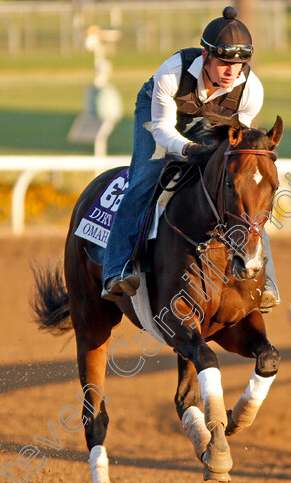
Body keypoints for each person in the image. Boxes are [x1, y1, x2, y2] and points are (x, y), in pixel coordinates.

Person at [101, 6, 279, 313]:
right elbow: (162, 129)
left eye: (239, 65)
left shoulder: (252, 90)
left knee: (245, 193)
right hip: (161, 117)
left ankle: (267, 281)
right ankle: (116, 269)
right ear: (204, 55)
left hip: (213, 121)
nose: (231, 72)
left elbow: (241, 143)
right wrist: (187, 150)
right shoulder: (171, 73)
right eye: (224, 62)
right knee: (145, 177)